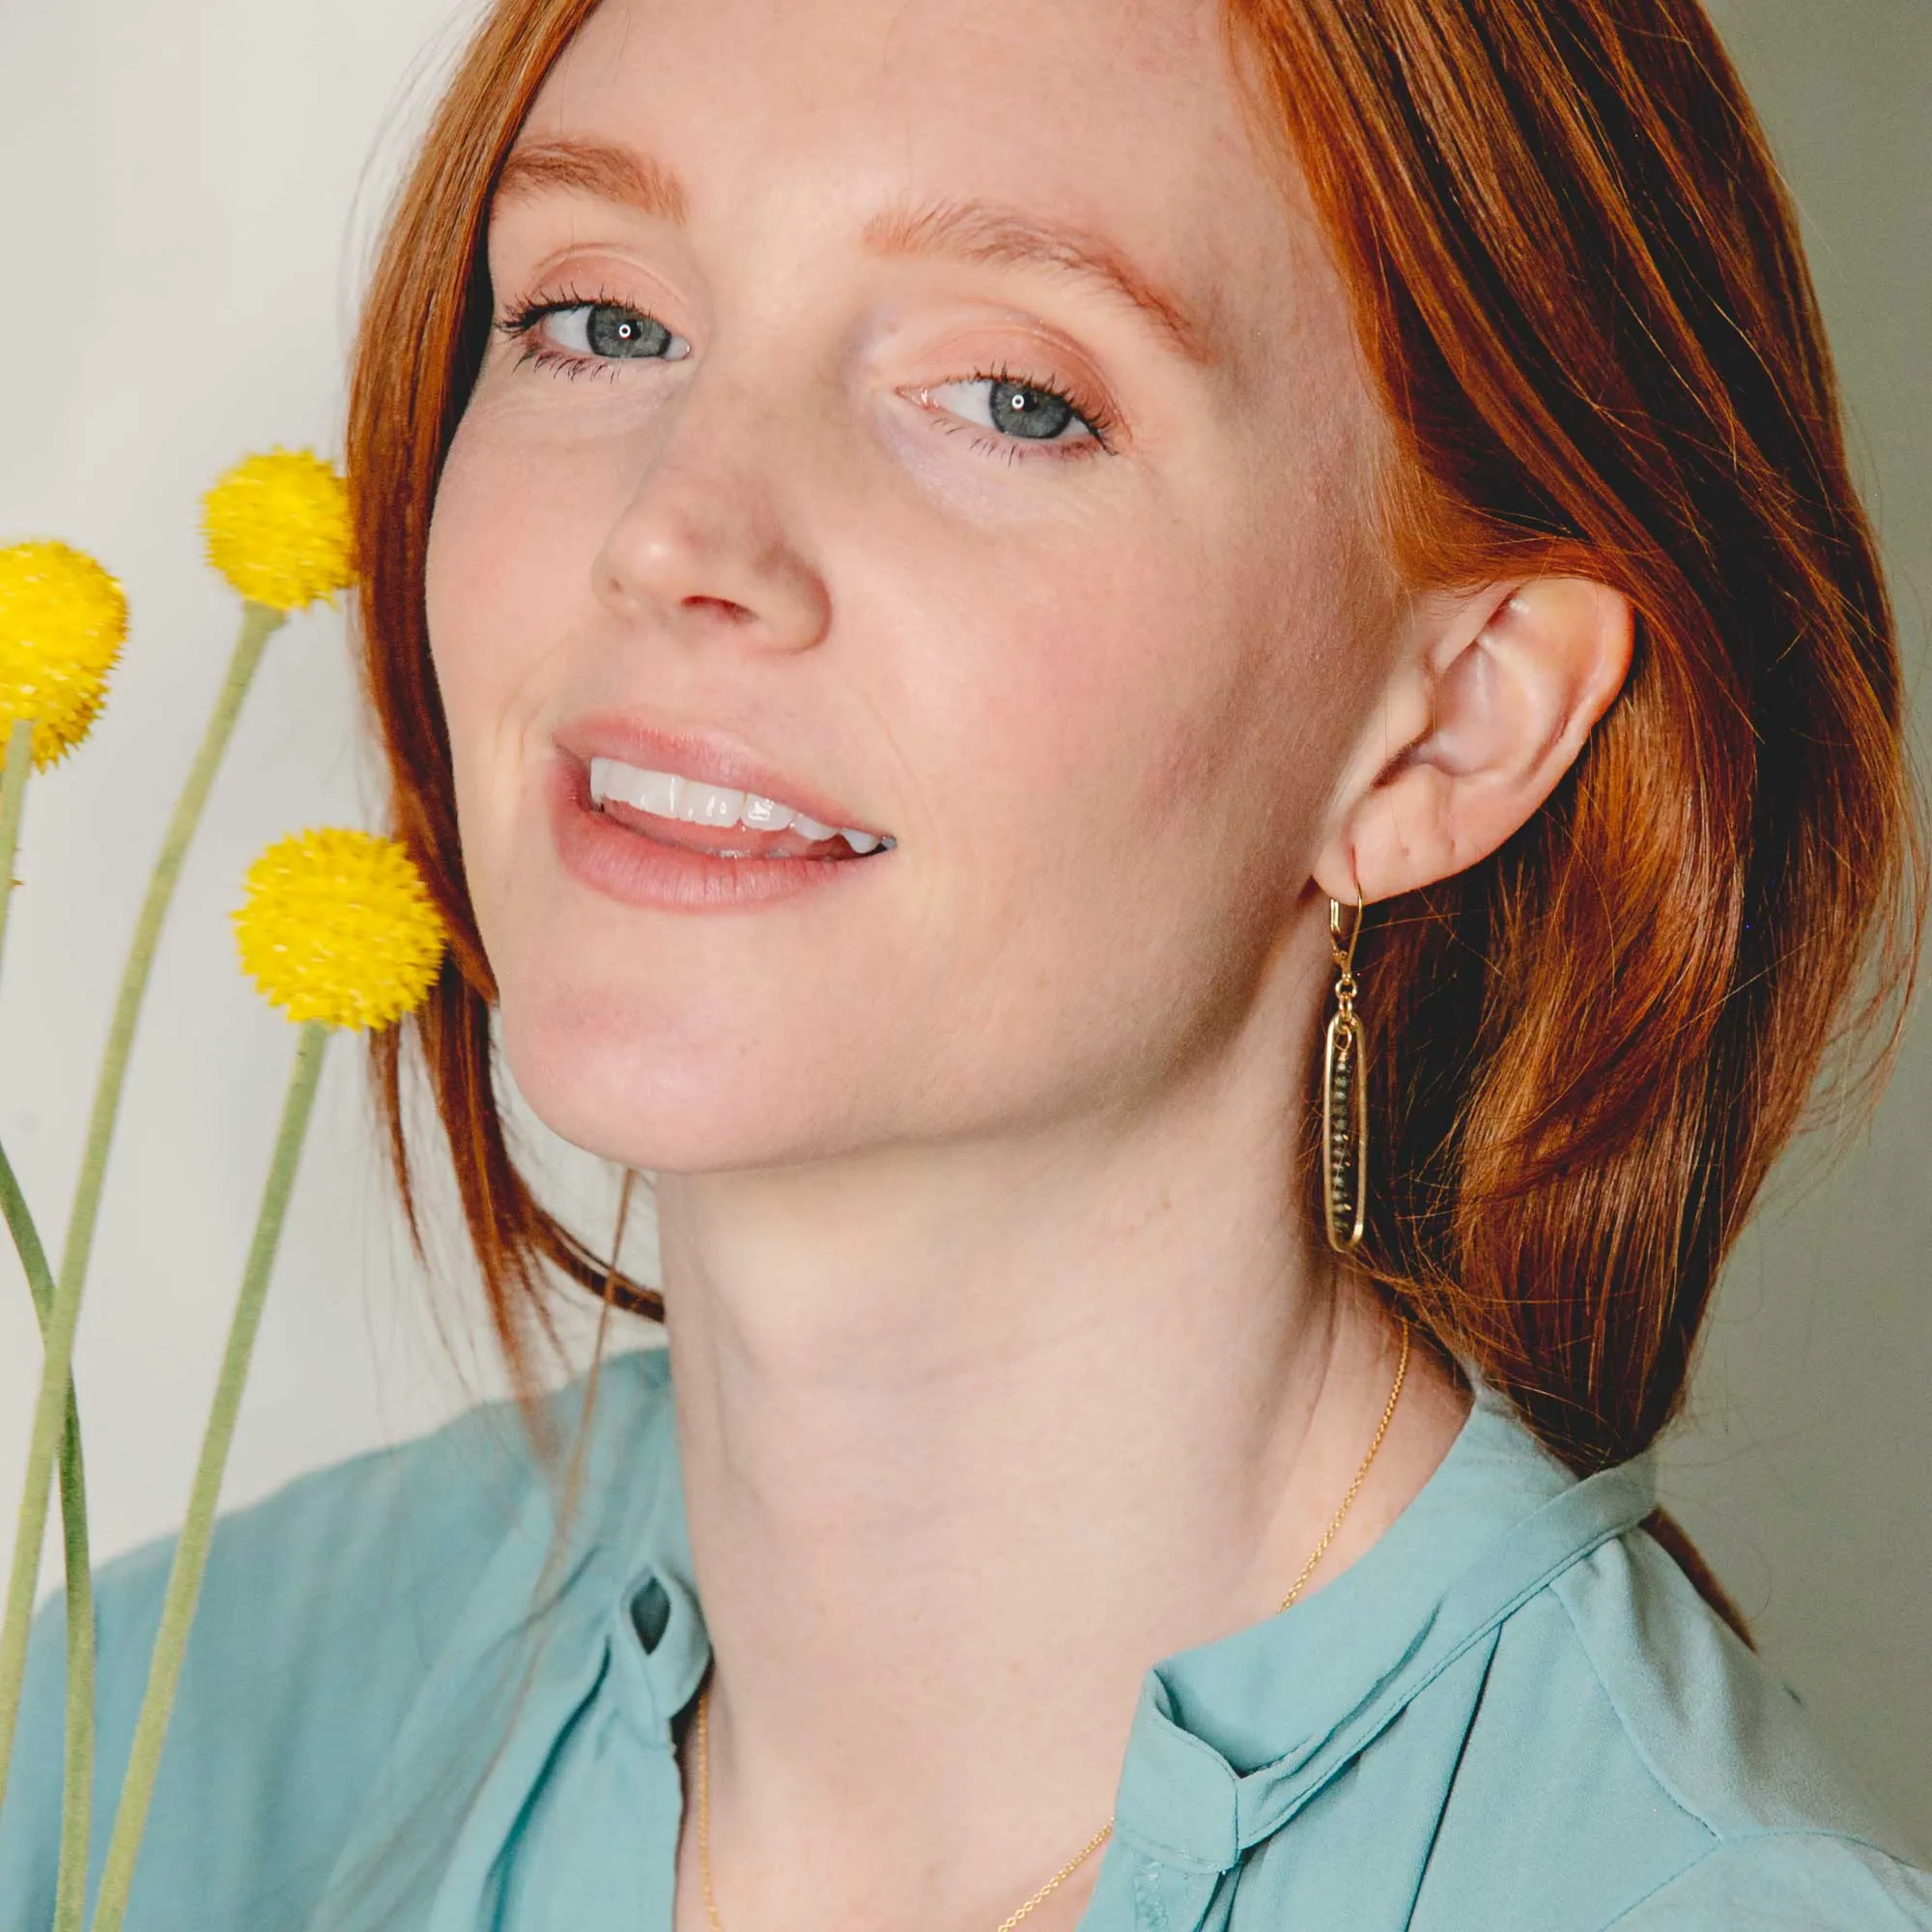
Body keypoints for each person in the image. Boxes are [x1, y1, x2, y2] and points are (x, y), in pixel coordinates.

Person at [2, 0, 1927, 1924]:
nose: (678, 526)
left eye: (1011, 395)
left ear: (1453, 725)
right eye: (603, 322)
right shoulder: (146, 1737)